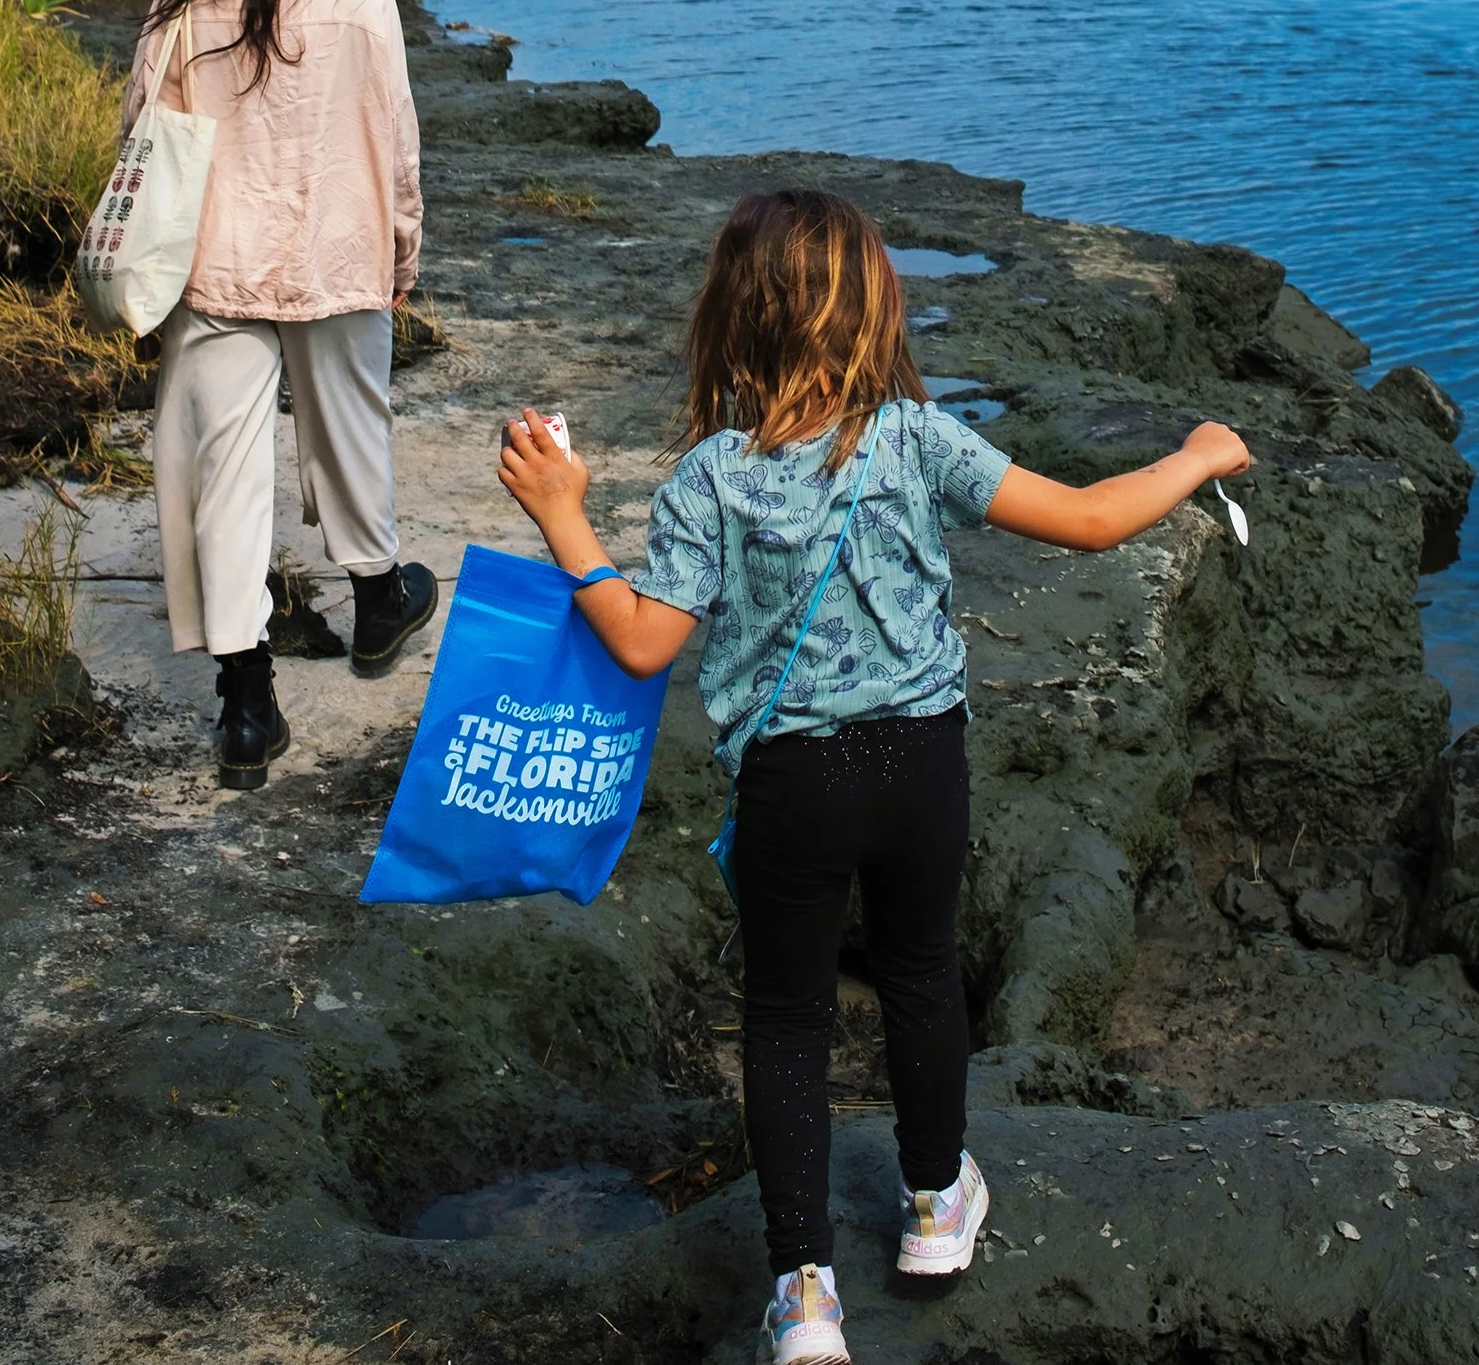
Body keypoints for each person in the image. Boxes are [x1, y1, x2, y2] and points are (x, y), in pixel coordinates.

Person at [497, 187, 1252, 1365]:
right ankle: (935, 1203)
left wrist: (562, 515)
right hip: (921, 760)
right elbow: (1097, 520)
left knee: (786, 1017)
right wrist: (1199, 453)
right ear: (869, 314)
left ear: (732, 323)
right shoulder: (915, 436)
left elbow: (645, 639)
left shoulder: (709, 475)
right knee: (918, 972)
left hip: (792, 779)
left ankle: (804, 1295)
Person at [125, 0, 437, 791]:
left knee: (224, 471)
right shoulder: (363, 0)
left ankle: (246, 702)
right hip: (334, 251)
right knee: (351, 420)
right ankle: (379, 595)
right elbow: (396, 145)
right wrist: (400, 256)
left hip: (209, 259)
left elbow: (143, 128)